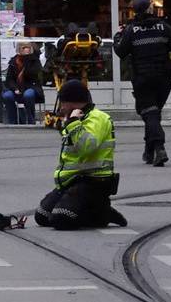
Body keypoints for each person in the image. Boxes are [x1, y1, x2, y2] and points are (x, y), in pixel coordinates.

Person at [28, 81, 127, 229]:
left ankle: (101, 212)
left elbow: (88, 147)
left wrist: (73, 123)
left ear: (71, 102)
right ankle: (91, 209)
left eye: (62, 103)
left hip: (93, 181)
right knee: (42, 216)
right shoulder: (76, 118)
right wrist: (66, 124)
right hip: (73, 180)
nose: (60, 107)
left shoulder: (97, 118)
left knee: (62, 219)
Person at [114, 0, 171, 167]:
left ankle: (159, 148)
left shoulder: (132, 30)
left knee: (150, 114)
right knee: (153, 114)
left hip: (143, 79)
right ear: (149, 9)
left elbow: (121, 52)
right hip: (163, 80)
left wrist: (117, 37)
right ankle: (149, 151)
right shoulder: (164, 28)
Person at [2, 42, 44, 125]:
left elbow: (34, 75)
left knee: (28, 95)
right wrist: (15, 88)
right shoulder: (13, 61)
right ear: (19, 49)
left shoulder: (34, 60)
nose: (26, 49)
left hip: (31, 87)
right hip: (17, 88)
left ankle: (31, 120)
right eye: (24, 47)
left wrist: (27, 60)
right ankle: (12, 121)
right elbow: (9, 79)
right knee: (7, 96)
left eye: (28, 47)